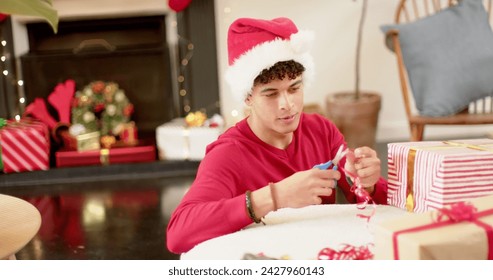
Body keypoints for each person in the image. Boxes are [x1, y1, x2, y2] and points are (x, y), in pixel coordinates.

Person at [167, 17, 388, 254]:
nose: (287, 104)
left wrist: (370, 183)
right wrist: (275, 196)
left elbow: (378, 209)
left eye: (294, 88)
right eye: (271, 94)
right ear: (247, 97)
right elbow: (178, 235)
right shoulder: (227, 154)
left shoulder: (321, 130)